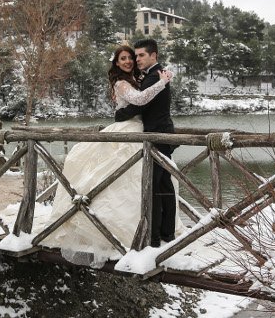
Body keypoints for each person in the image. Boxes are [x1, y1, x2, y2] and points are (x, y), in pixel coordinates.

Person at [40, 45, 180, 265]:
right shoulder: (121, 82)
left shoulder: (141, 77)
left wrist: (125, 111)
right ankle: (138, 233)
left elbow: (140, 103)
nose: (129, 61)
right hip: (130, 132)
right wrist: (160, 84)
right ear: (116, 63)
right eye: (123, 58)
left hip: (142, 132)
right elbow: (139, 100)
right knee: (125, 179)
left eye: (132, 57)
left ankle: (155, 232)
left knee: (148, 181)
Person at [113, 38, 177, 248]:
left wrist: (120, 114)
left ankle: (155, 238)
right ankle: (166, 233)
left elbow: (140, 104)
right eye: (135, 56)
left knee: (155, 186)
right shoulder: (151, 76)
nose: (136, 59)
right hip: (157, 134)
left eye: (140, 55)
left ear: (153, 55)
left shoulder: (155, 77)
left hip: (157, 135)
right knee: (163, 184)